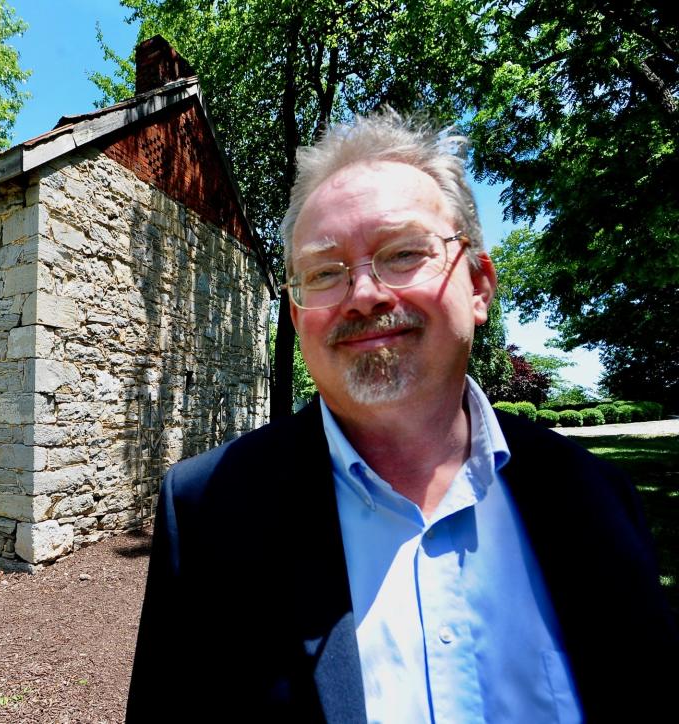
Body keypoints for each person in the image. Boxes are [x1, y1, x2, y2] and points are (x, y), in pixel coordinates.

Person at [126, 110, 676, 723]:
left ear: (479, 285)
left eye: (403, 253)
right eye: (326, 271)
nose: (364, 294)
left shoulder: (597, 497)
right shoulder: (207, 511)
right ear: (297, 313)